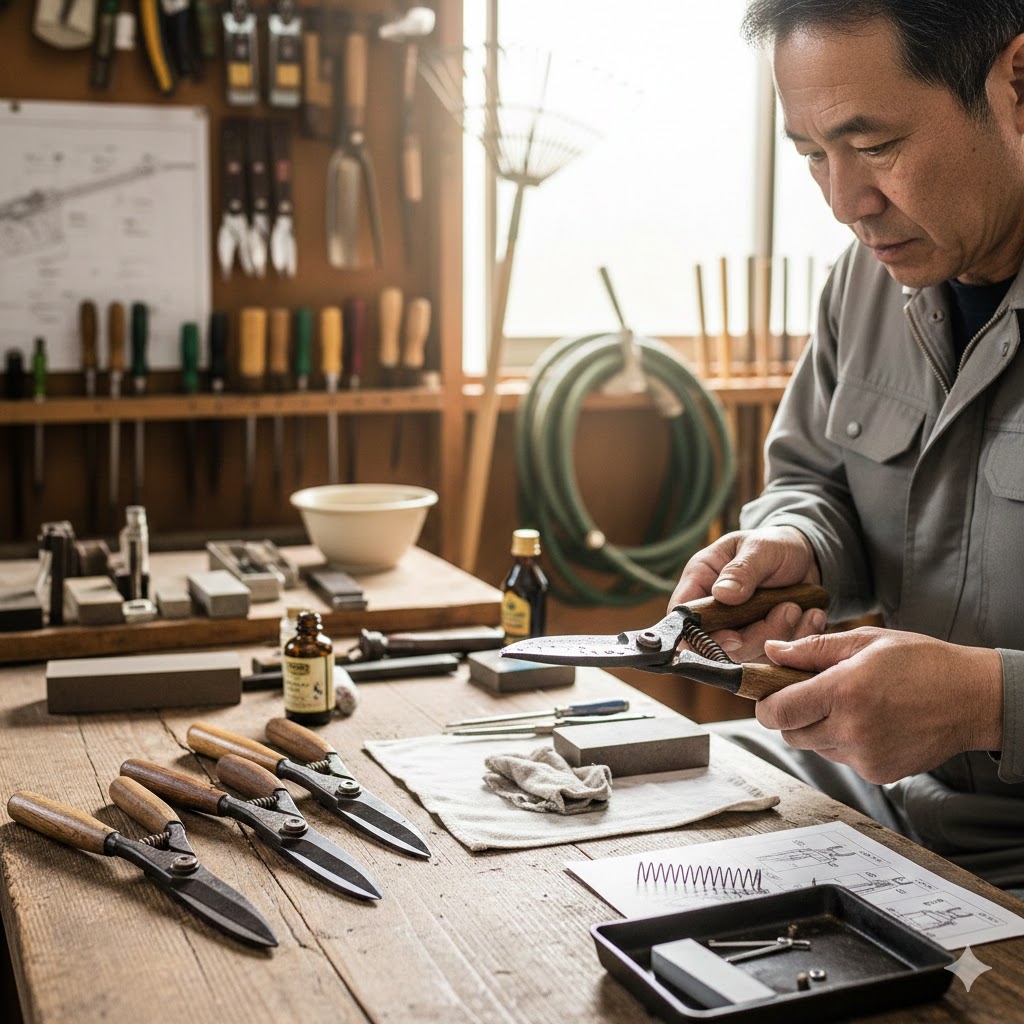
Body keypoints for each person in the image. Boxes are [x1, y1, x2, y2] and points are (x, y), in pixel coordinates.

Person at [671, 0, 1024, 892]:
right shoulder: (868, 280)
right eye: (811, 156)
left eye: (874, 148)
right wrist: (792, 549)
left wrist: (988, 703)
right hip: (892, 799)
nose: (844, 204)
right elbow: (814, 480)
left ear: (1018, 85)